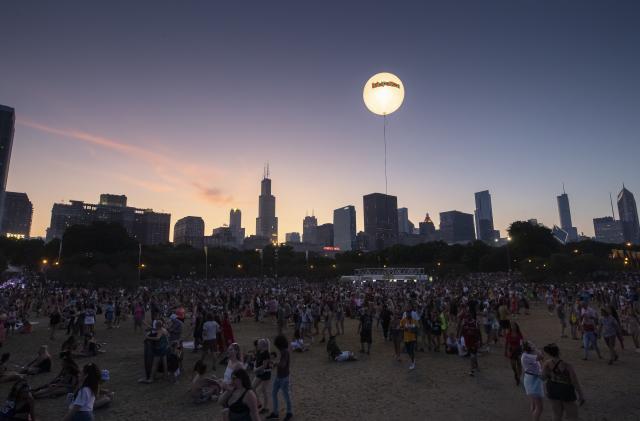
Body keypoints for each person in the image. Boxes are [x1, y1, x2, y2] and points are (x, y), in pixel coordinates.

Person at [541, 343, 584, 421]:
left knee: (556, 415)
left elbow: (543, 378)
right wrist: (580, 395)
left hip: (552, 388)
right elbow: (574, 381)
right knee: (572, 416)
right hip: (566, 389)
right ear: (558, 352)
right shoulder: (567, 365)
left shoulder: (547, 363)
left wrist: (550, 374)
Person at [266, 334, 292, 421]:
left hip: (283, 377)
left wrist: (275, 363)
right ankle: (276, 413)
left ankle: (289, 412)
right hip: (280, 376)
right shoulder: (283, 351)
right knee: (274, 393)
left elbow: (283, 364)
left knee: (285, 395)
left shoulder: (284, 352)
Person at [521, 342, 544, 421]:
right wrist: (537, 350)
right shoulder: (527, 356)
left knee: (534, 404)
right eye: (531, 345)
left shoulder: (527, 355)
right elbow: (541, 356)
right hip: (533, 380)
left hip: (531, 379)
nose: (533, 345)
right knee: (539, 407)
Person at [252, 339, 272, 414]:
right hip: (259, 373)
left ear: (262, 345)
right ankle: (259, 403)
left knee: (264, 390)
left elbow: (264, 366)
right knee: (252, 387)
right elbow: (256, 361)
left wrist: (255, 369)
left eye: (259, 344)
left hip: (266, 373)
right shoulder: (259, 351)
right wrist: (254, 367)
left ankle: (265, 407)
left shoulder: (266, 354)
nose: (257, 345)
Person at [505, 322, 524, 386]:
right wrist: (505, 351)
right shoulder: (509, 334)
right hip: (512, 351)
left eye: (514, 326)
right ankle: (516, 374)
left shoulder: (519, 334)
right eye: (512, 326)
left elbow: (521, 343)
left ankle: (518, 377)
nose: (513, 327)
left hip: (518, 350)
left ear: (516, 327)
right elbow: (507, 343)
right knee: (513, 365)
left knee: (519, 364)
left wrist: (522, 351)